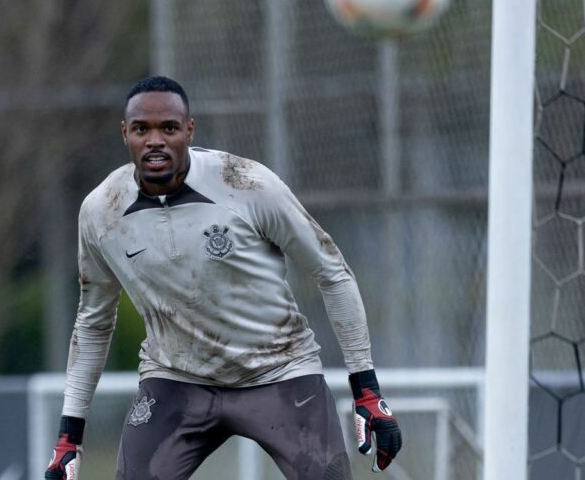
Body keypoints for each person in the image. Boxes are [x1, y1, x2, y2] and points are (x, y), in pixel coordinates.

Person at [45, 76, 402, 480]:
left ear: (189, 130)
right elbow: (93, 322)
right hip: (176, 380)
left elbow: (332, 272)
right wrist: (68, 436)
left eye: (169, 128)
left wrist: (367, 390)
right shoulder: (100, 212)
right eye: (142, 129)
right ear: (125, 133)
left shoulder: (247, 184)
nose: (155, 140)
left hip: (279, 370)